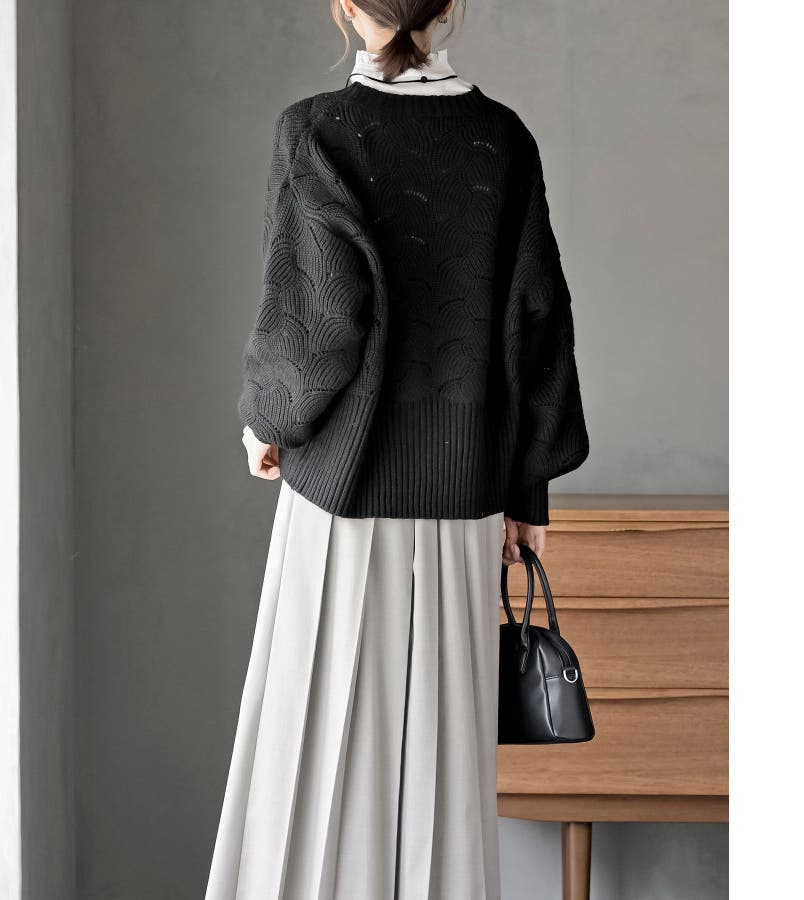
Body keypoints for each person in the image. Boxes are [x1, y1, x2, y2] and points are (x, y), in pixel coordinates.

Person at [205, 1, 589, 897]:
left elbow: (316, 321)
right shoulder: (502, 139)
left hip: (339, 502)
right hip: (467, 503)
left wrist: (268, 422)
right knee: (443, 773)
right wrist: (526, 495)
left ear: (345, 6)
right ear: (451, 7)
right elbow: (538, 323)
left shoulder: (317, 131)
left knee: (312, 763)